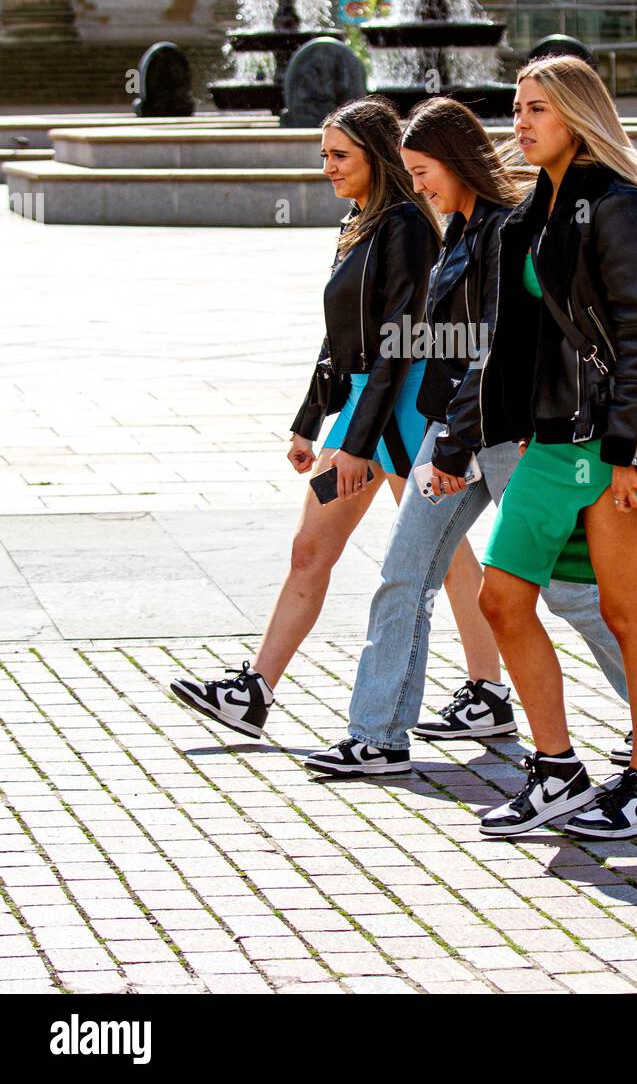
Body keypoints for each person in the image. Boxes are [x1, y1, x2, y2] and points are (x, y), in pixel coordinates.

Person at [304, 96, 637, 777]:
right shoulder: (454, 232)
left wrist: (454, 438)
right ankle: (377, 735)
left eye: (424, 170)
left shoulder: (503, 229)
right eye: (409, 172)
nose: (417, 185)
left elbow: (501, 348)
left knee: (566, 590)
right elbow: (447, 345)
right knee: (405, 571)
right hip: (458, 430)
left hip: (509, 435)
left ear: (457, 163)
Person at [168, 96, 498, 743]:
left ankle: (487, 691)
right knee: (322, 549)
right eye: (323, 155)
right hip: (360, 410)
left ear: (376, 158)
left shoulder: (403, 226)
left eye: (339, 155)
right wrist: (308, 420)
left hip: (393, 414)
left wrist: (353, 439)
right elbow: (340, 337)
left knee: (442, 557)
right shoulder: (361, 222)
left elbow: (397, 343)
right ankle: (255, 690)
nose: (327, 167)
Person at [475, 53, 637, 840]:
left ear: (577, 114)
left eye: (537, 108)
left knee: (625, 612)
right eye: (517, 108)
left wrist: (633, 454)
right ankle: (558, 769)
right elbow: (517, 341)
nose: (520, 123)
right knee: (500, 597)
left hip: (610, 444)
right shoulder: (535, 209)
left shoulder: (616, 203)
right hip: (550, 440)